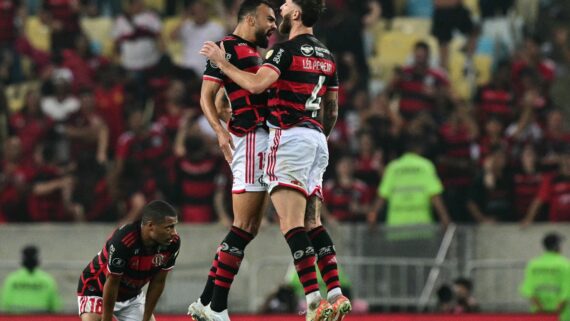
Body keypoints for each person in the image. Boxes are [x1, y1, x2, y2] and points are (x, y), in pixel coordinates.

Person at [200, 1, 352, 320]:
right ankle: (335, 293)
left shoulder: (282, 51)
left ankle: (311, 301)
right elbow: (333, 111)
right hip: (315, 140)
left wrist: (220, 63)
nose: (278, 16)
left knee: (281, 225)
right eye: (271, 14)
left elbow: (256, 85)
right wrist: (221, 125)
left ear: (296, 14)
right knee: (310, 222)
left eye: (282, 9)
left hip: (285, 137)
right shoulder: (328, 55)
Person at [187, 2, 276, 321]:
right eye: (269, 19)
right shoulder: (226, 48)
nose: (273, 26)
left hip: (257, 137)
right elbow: (206, 97)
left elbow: (227, 100)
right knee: (243, 226)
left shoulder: (252, 52)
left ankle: (205, 300)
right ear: (250, 18)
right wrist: (219, 132)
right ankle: (217, 306)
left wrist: (227, 115)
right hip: (251, 139)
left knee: (247, 228)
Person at [76, 200, 180, 321]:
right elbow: (112, 282)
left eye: (174, 226)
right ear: (151, 226)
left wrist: (146, 318)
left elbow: (158, 282)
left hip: (131, 296)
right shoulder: (124, 241)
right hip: (96, 289)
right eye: (169, 227)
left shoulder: (172, 244)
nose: (174, 233)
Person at [367, 138, 451, 228]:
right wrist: (445, 220)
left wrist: (371, 218)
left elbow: (381, 197)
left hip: (396, 227)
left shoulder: (393, 167)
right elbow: (435, 196)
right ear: (419, 149)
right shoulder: (425, 166)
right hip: (421, 227)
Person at [520, 232, 570, 321]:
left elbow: (528, 290)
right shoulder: (565, 265)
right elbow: (567, 291)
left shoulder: (533, 264)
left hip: (538, 314)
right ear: (558, 246)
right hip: (562, 314)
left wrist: (541, 309)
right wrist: (556, 311)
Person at [0, 245, 62, 313]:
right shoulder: (47, 280)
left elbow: (4, 304)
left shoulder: (11, 279)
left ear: (22, 260)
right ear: (38, 260)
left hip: (16, 317)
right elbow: (56, 307)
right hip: (41, 317)